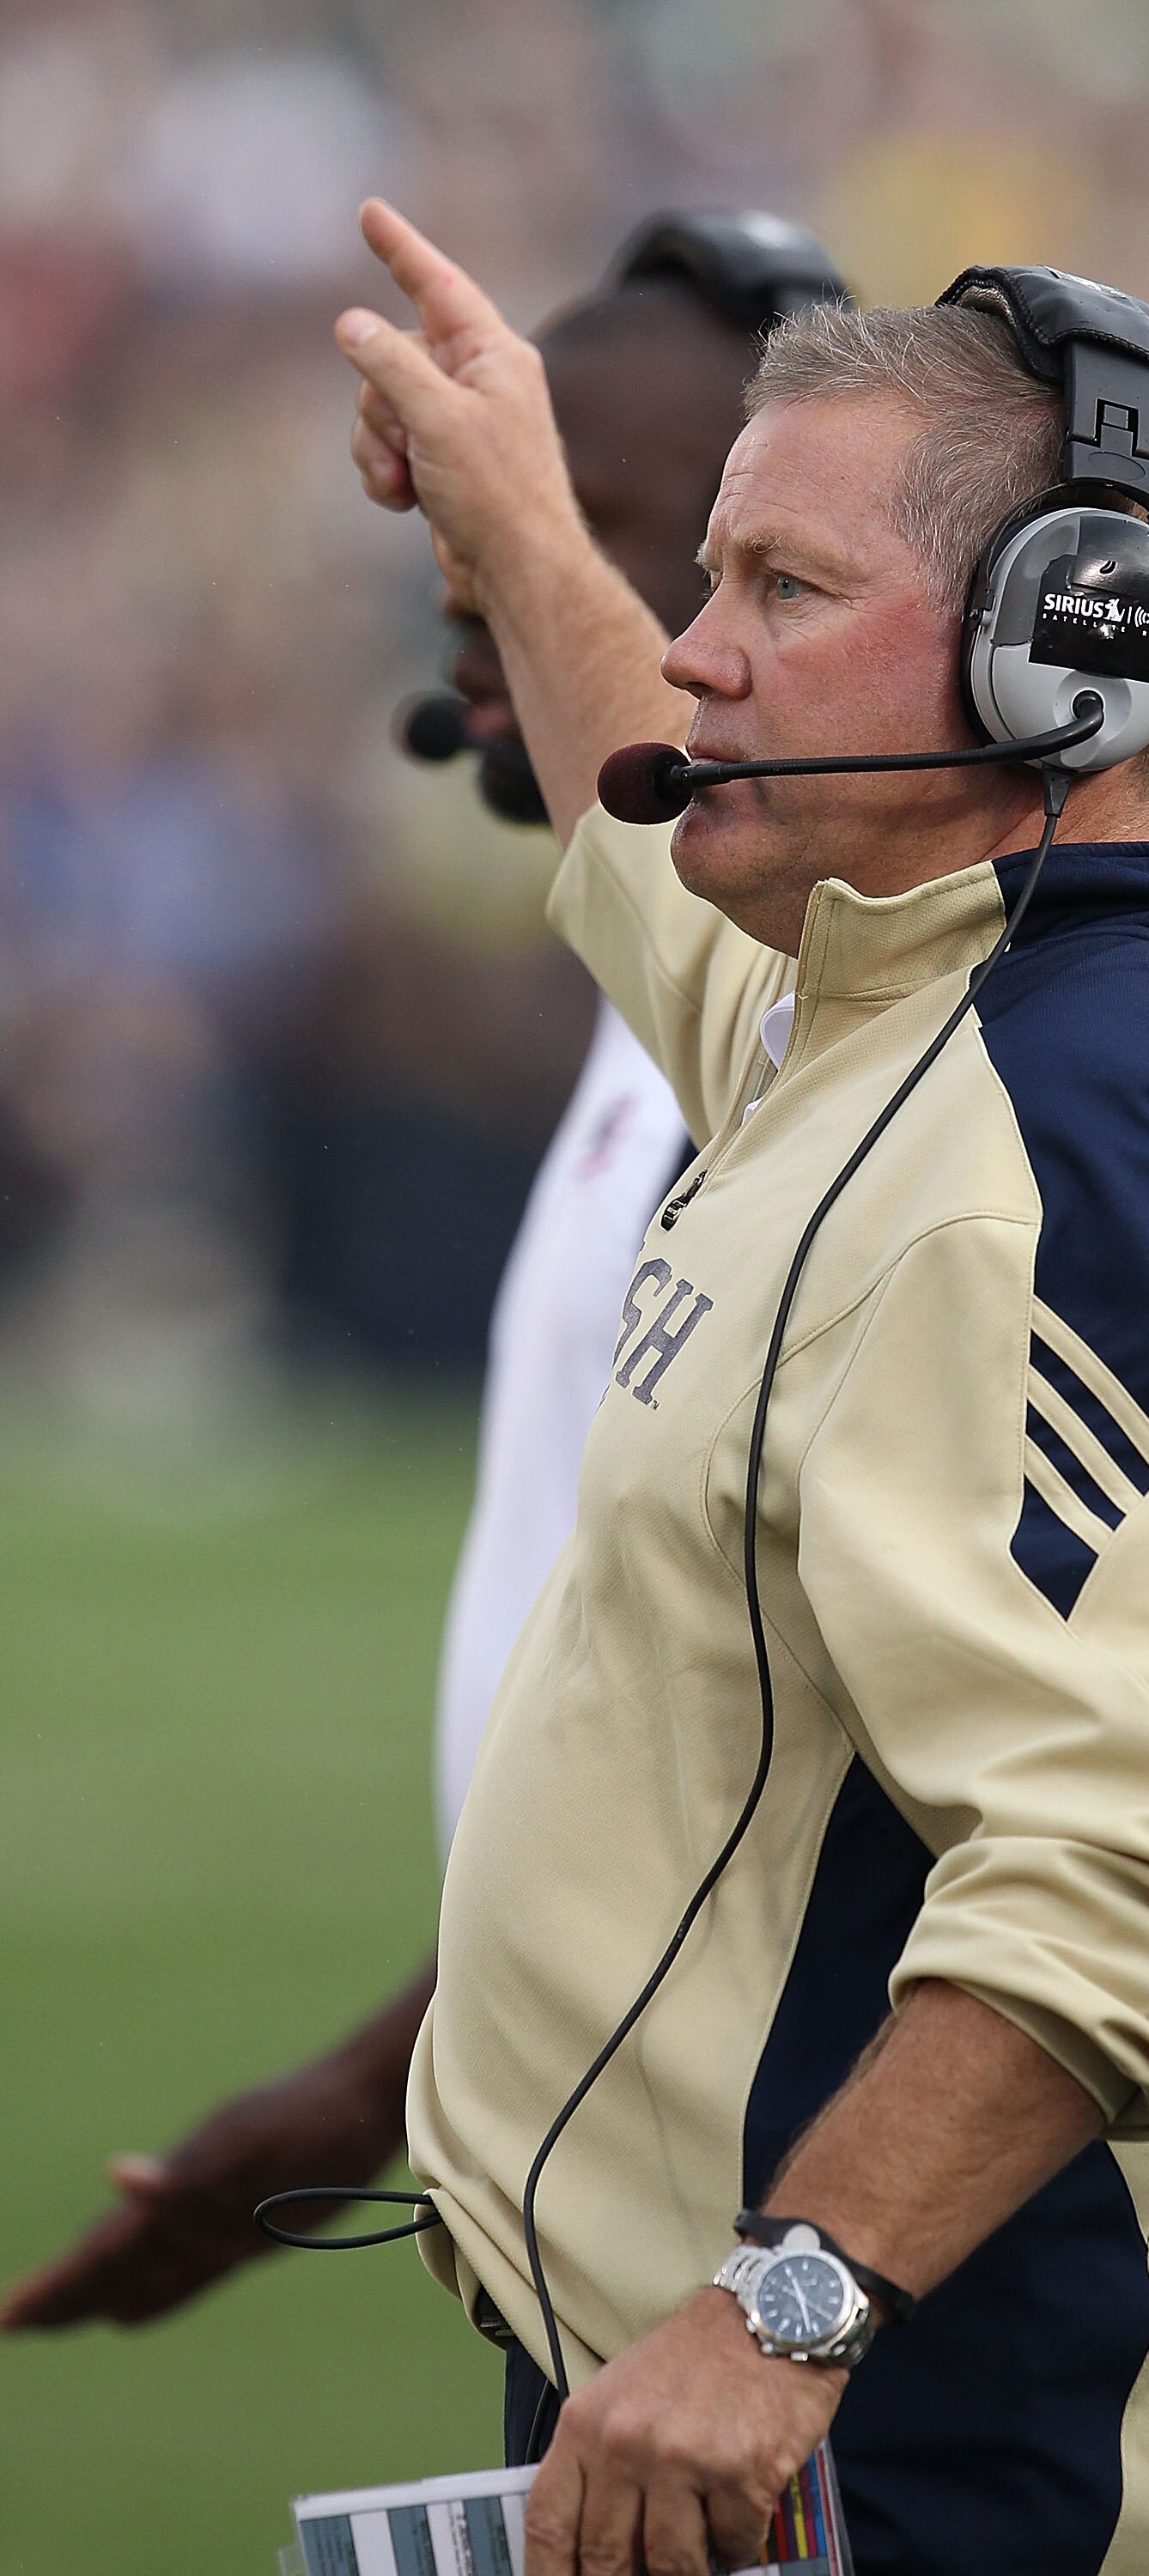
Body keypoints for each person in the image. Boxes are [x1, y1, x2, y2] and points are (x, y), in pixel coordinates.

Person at [336, 200, 1149, 2576]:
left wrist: (782, 2308)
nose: (693, 653)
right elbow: (640, 816)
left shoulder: (1092, 1133)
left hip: (892, 2438)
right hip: (737, 2406)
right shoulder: (871, 999)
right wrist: (507, 510)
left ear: (1062, 667)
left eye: (779, 594)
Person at [0, 209, 847, 2337]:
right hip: (666, 2178)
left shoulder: (867, 1042)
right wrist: (404, 2070)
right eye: (468, 521)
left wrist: (802, 2294)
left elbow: (916, 1778)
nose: (477, 573)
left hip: (847, 2239)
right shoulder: (665, 1000)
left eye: (587, 517)